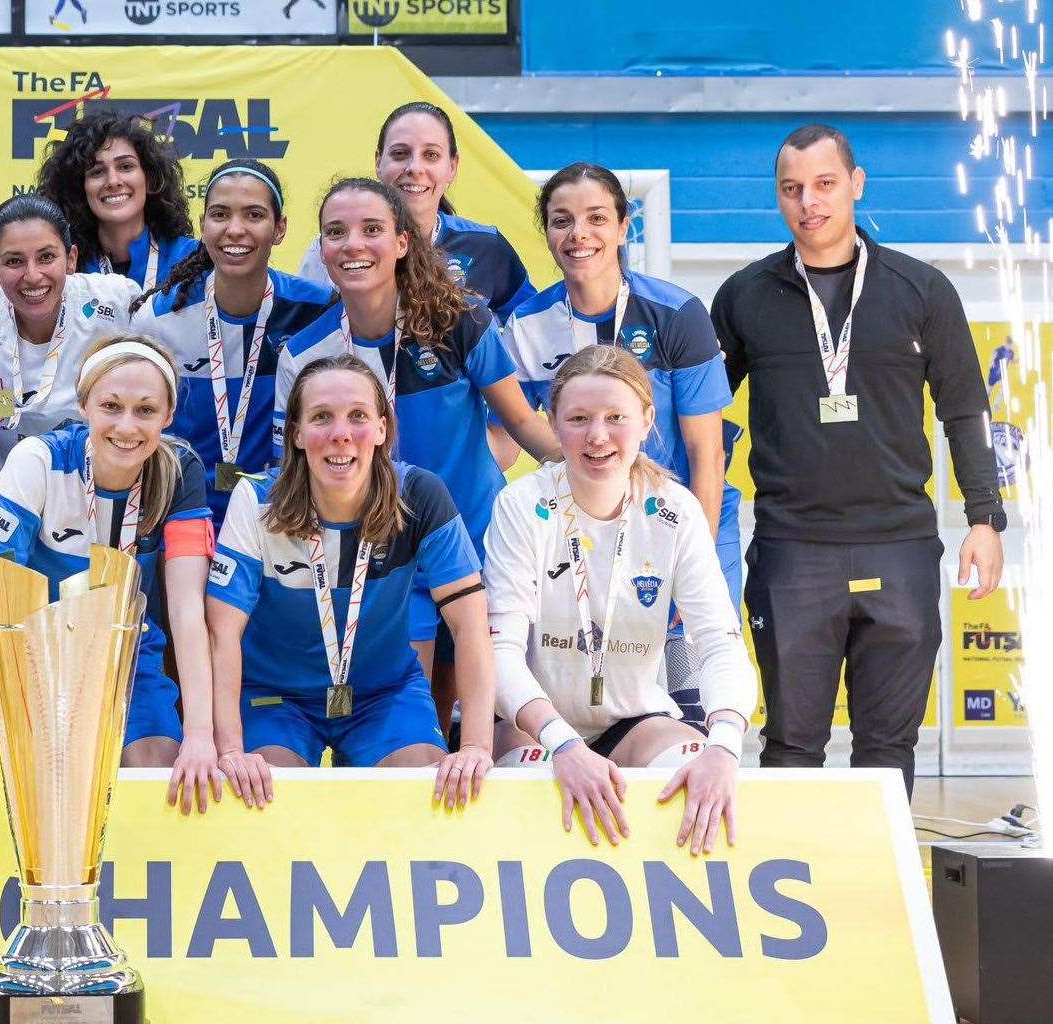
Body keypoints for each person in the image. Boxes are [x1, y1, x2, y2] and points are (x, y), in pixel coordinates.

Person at [711, 124, 1004, 796]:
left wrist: (986, 518)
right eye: (791, 189)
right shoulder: (745, 296)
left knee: (887, 753)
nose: (807, 202)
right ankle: (790, 896)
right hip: (792, 549)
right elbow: (699, 416)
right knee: (789, 750)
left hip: (898, 546)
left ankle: (883, 902)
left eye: (823, 184)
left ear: (856, 184)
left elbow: (966, 408)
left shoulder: (921, 290)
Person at [277, 177, 558, 733]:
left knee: (491, 721)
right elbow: (296, 468)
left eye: (372, 230)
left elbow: (522, 421)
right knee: (415, 720)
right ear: (322, 250)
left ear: (404, 243)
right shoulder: (305, 352)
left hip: (477, 544)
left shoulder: (461, 321)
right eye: (337, 233)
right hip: (386, 557)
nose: (353, 244)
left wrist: (601, 472)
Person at [0, 335, 231, 815]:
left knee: (157, 773)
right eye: (111, 406)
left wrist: (199, 736)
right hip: (28, 652)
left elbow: (189, 611)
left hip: (124, 650)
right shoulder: (37, 462)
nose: (127, 426)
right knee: (49, 798)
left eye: (146, 410)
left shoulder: (180, 471)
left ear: (168, 416)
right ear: (84, 404)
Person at [483, 345, 755, 854]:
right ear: (553, 422)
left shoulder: (675, 509)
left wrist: (724, 747)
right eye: (579, 419)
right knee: (535, 795)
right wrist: (563, 744)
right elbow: (498, 652)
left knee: (698, 780)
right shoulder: (521, 505)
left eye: (616, 418)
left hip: (633, 722)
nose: (598, 436)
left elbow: (719, 641)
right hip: (535, 729)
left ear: (648, 420)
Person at [502, 162, 740, 726]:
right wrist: (574, 462)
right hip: (584, 525)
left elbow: (707, 454)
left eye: (596, 219)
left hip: (680, 518)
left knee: (689, 694)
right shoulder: (529, 322)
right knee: (588, 686)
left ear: (623, 225)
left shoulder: (676, 313)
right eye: (561, 221)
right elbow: (509, 433)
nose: (578, 235)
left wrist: (691, 553)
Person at [207, 354, 492, 811]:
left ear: (382, 428)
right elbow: (223, 633)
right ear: (296, 433)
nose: (340, 433)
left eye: (357, 416)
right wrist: (231, 749)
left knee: (424, 799)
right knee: (265, 801)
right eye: (322, 417)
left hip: (384, 693)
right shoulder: (256, 499)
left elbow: (471, 624)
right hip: (275, 697)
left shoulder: (421, 495)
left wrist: (476, 745)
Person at [133, 160, 333, 521]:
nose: (235, 230)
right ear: (203, 225)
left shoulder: (317, 310)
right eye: (220, 215)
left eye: (254, 215)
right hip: (182, 516)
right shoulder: (159, 318)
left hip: (281, 517)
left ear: (280, 228)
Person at [0, 194, 139, 486]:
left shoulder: (118, 304)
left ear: (71, 259)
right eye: (14, 261)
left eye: (46, 257)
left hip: (103, 498)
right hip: (9, 512)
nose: (33, 275)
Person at [295, 102, 535, 321]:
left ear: (452, 166)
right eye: (400, 154)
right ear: (379, 163)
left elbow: (531, 330)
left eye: (431, 155)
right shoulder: (331, 248)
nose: (414, 168)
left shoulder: (486, 246)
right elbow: (307, 332)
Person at [35, 111, 198, 290]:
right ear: (80, 188)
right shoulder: (66, 267)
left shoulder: (192, 258)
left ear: (150, 179)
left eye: (126, 167)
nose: (113, 181)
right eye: (97, 171)